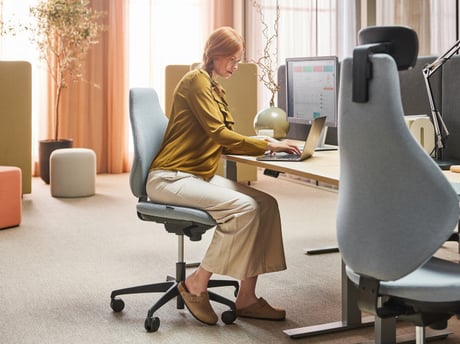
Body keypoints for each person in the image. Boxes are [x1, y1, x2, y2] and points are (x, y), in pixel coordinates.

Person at [146, 26, 301, 325]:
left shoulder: (215, 88)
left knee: (265, 204)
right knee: (243, 208)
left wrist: (266, 144)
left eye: (237, 60)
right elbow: (219, 134)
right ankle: (196, 283)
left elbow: (224, 134)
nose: (234, 65)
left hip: (196, 176)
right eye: (231, 58)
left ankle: (247, 298)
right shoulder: (195, 82)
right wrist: (266, 144)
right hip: (170, 178)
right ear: (214, 55)